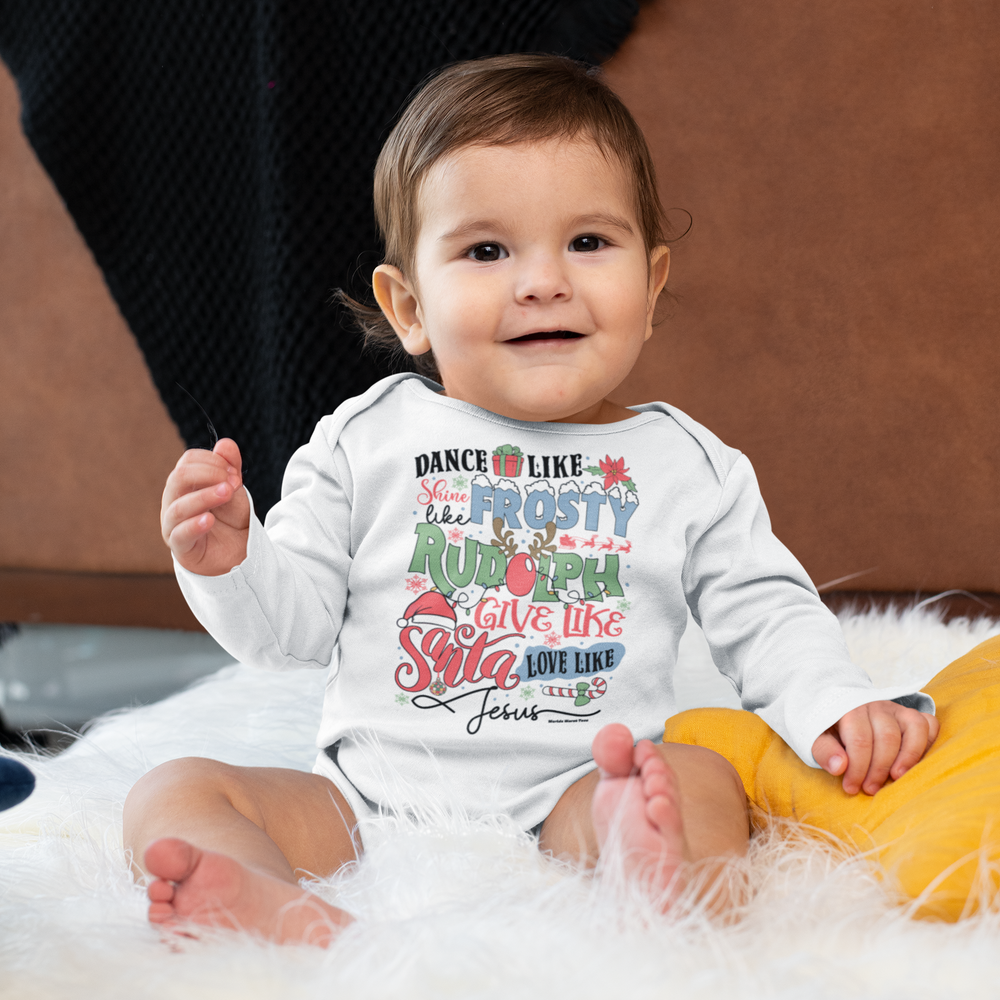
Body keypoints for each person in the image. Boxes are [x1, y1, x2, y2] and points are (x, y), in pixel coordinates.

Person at [125, 54, 938, 945]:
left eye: (589, 242)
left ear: (653, 285)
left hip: (581, 789)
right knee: (174, 791)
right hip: (366, 803)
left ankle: (660, 874)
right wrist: (233, 563)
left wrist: (832, 701)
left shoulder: (682, 463)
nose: (544, 280)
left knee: (699, 778)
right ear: (409, 308)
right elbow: (291, 634)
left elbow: (766, 609)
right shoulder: (368, 439)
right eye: (485, 250)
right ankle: (264, 900)